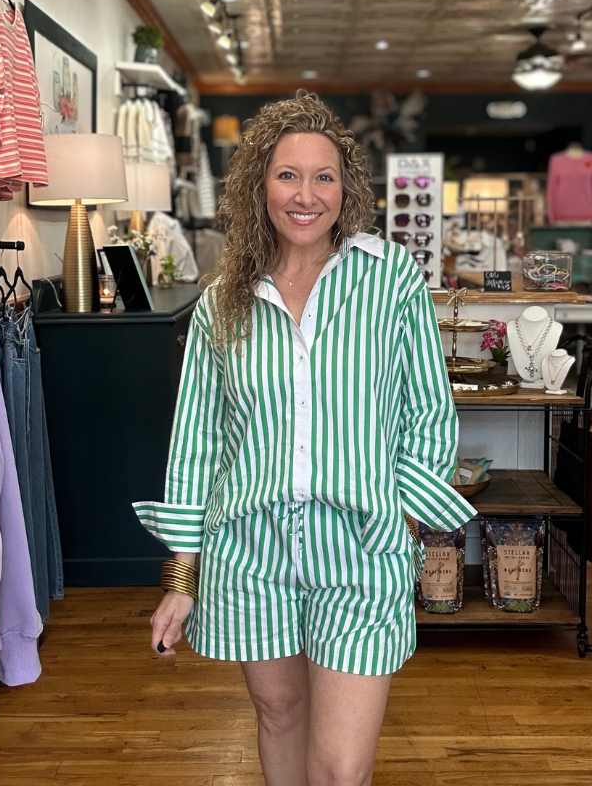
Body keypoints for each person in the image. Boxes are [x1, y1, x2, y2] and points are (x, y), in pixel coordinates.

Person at [133, 91, 475, 786]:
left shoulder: (389, 283)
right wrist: (181, 579)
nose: (305, 194)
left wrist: (399, 520)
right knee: (280, 717)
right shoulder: (224, 300)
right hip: (251, 556)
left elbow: (429, 416)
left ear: (345, 189)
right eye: (287, 174)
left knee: (341, 770)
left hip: (359, 555)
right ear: (259, 185)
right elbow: (198, 444)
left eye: (324, 176)